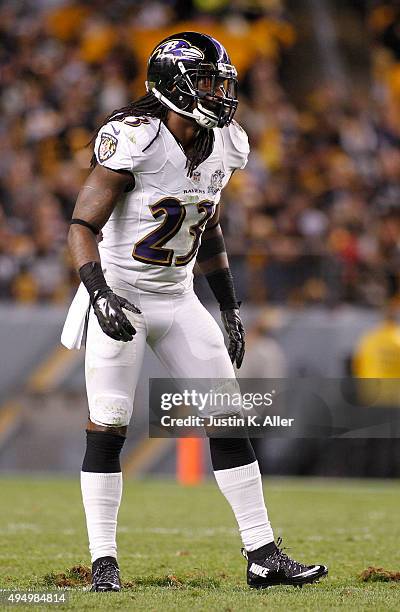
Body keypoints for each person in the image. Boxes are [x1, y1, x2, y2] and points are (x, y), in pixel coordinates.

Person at [63, 31, 327, 592]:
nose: (219, 94)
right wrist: (99, 292)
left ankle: (262, 553)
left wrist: (229, 305)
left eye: (221, 83)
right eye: (206, 81)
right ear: (170, 86)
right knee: (110, 420)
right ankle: (103, 562)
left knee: (227, 416)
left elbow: (203, 223)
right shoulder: (134, 138)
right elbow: (82, 227)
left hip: (179, 296)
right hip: (122, 293)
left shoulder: (226, 142)